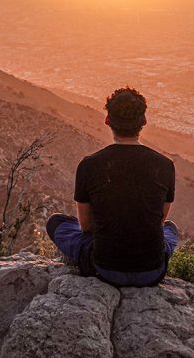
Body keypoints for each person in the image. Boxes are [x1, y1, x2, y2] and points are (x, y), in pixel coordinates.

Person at [45, 86, 178, 287]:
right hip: (152, 271)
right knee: (170, 228)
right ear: (143, 121)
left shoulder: (89, 165)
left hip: (105, 269)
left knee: (56, 223)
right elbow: (159, 221)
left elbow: (86, 227)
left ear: (107, 120)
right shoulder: (165, 165)